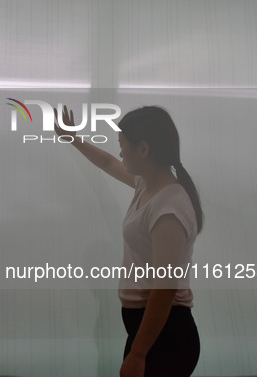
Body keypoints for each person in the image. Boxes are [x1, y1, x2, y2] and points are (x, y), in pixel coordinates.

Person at [54, 105, 203, 377]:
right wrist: (73, 139)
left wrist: (138, 353)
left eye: (123, 145)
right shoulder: (147, 184)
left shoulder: (169, 208)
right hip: (148, 333)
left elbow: (165, 288)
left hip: (167, 337)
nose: (120, 152)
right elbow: (109, 163)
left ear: (143, 149)